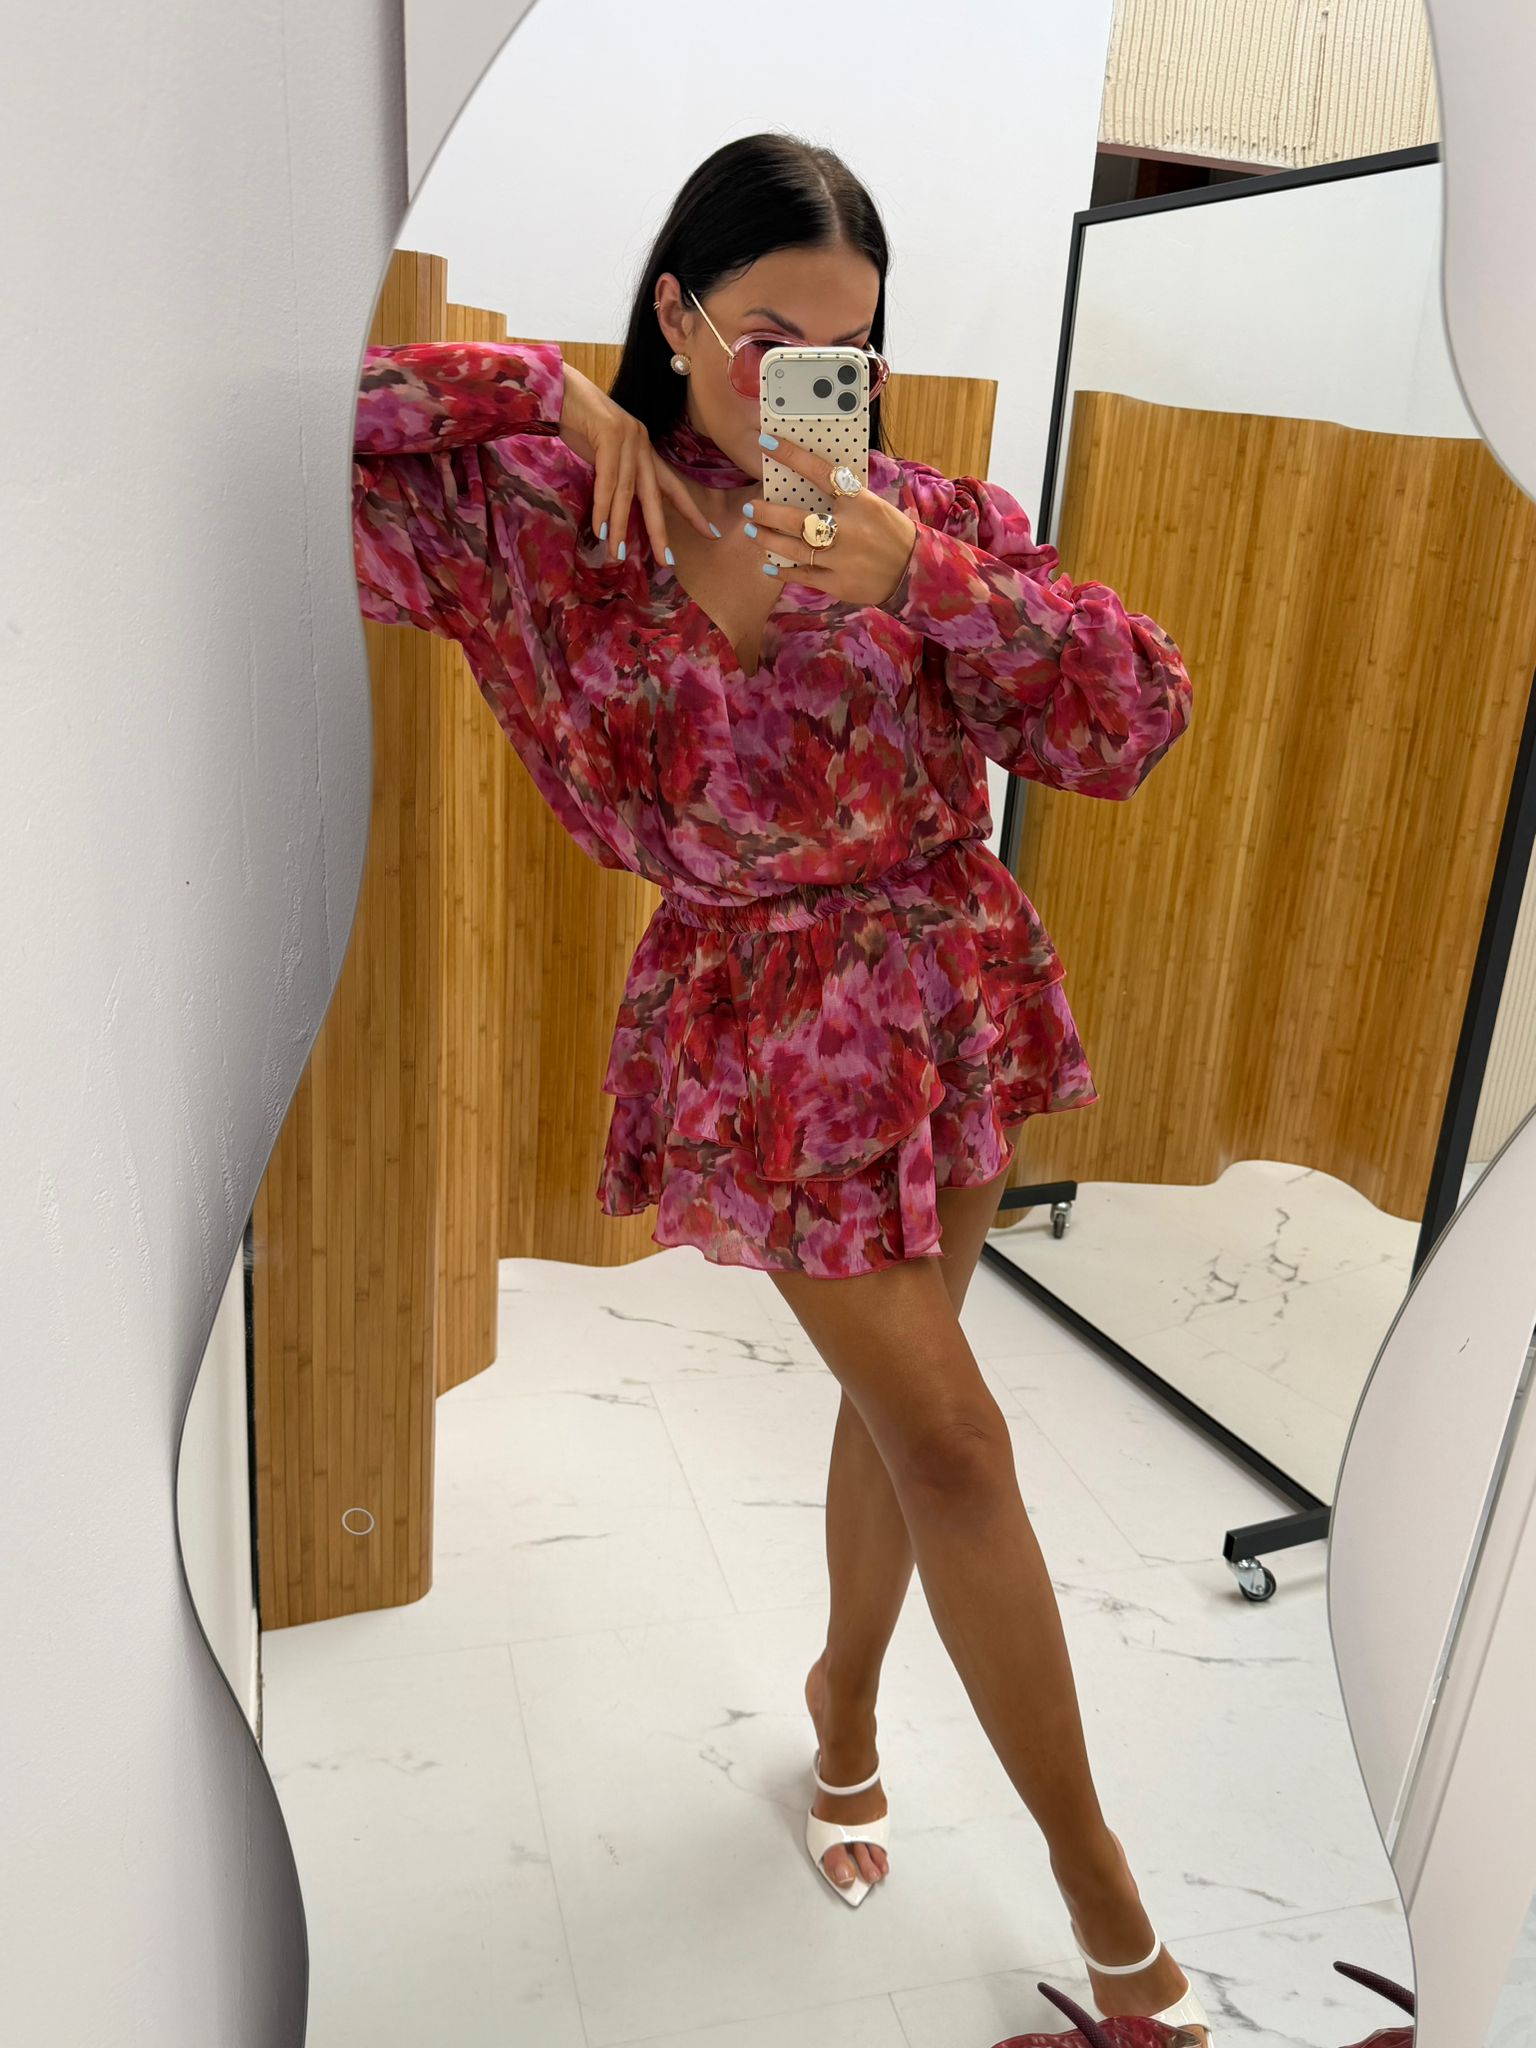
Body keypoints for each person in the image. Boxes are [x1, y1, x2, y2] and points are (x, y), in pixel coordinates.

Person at [352, 132, 1204, 2044]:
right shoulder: (547, 511)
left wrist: (934, 577)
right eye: (765, 336)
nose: (809, 381)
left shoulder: (921, 515)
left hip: (947, 985)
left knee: (915, 1423)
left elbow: (1134, 719)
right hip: (766, 1025)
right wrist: (540, 388)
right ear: (675, 311)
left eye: (848, 351)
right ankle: (1114, 1920)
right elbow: (270, 416)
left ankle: (846, 1710)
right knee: (958, 1439)